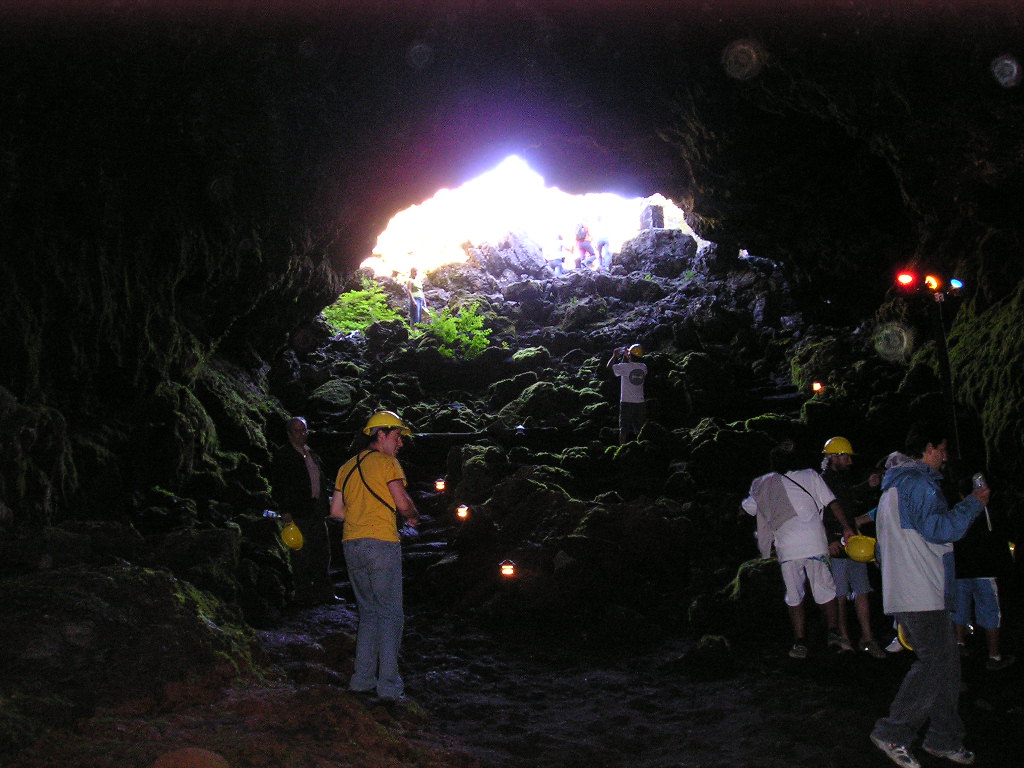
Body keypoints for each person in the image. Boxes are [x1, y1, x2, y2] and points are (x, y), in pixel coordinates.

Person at [870, 422, 988, 768]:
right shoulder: (918, 483)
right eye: (943, 449)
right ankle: (892, 732)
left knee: (947, 668)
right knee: (935, 663)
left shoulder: (894, 486)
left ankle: (943, 738)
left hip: (912, 586)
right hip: (920, 588)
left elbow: (885, 546)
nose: (945, 457)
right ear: (928, 449)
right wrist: (973, 504)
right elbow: (941, 529)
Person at [330, 410, 420, 701]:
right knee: (391, 614)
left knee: (368, 613)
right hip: (381, 543)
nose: (400, 444)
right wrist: (413, 516)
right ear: (380, 435)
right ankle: (389, 687)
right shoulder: (387, 463)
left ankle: (362, 680)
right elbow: (402, 503)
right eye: (397, 436)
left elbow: (336, 512)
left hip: (351, 545)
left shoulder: (346, 466)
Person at [743, 442, 855, 659]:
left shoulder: (763, 483)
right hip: (815, 543)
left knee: (794, 596)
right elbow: (832, 503)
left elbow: (750, 508)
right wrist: (847, 527)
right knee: (825, 590)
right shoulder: (810, 475)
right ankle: (833, 633)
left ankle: (799, 643)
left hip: (788, 548)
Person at [819, 436, 886, 658]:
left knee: (862, 590)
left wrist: (868, 486)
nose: (849, 462)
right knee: (839, 593)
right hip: (837, 546)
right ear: (834, 457)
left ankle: (867, 638)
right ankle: (844, 638)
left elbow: (850, 495)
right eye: (846, 457)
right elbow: (816, 514)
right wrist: (829, 539)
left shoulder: (843, 480)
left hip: (853, 542)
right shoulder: (821, 482)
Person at [269, 416, 336, 606]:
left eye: (304, 430)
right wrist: (285, 510)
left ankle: (325, 593)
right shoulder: (283, 456)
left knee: (322, 552)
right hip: (297, 512)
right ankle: (304, 595)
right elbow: (278, 485)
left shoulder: (311, 453)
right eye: (298, 431)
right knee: (300, 555)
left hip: (317, 510)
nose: (302, 434)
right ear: (289, 433)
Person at [951, 474, 1015, 672]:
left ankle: (959, 647)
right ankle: (993, 656)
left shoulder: (957, 511)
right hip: (982, 570)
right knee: (988, 612)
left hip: (962, 568)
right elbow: (1001, 537)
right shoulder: (982, 509)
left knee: (960, 609)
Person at [607, 344, 647, 443]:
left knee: (624, 428)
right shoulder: (644, 367)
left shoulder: (624, 367)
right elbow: (632, 366)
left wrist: (614, 356)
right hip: (640, 402)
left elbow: (609, 367)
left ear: (629, 355)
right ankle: (640, 447)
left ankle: (621, 449)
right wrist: (628, 355)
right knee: (639, 428)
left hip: (626, 401)